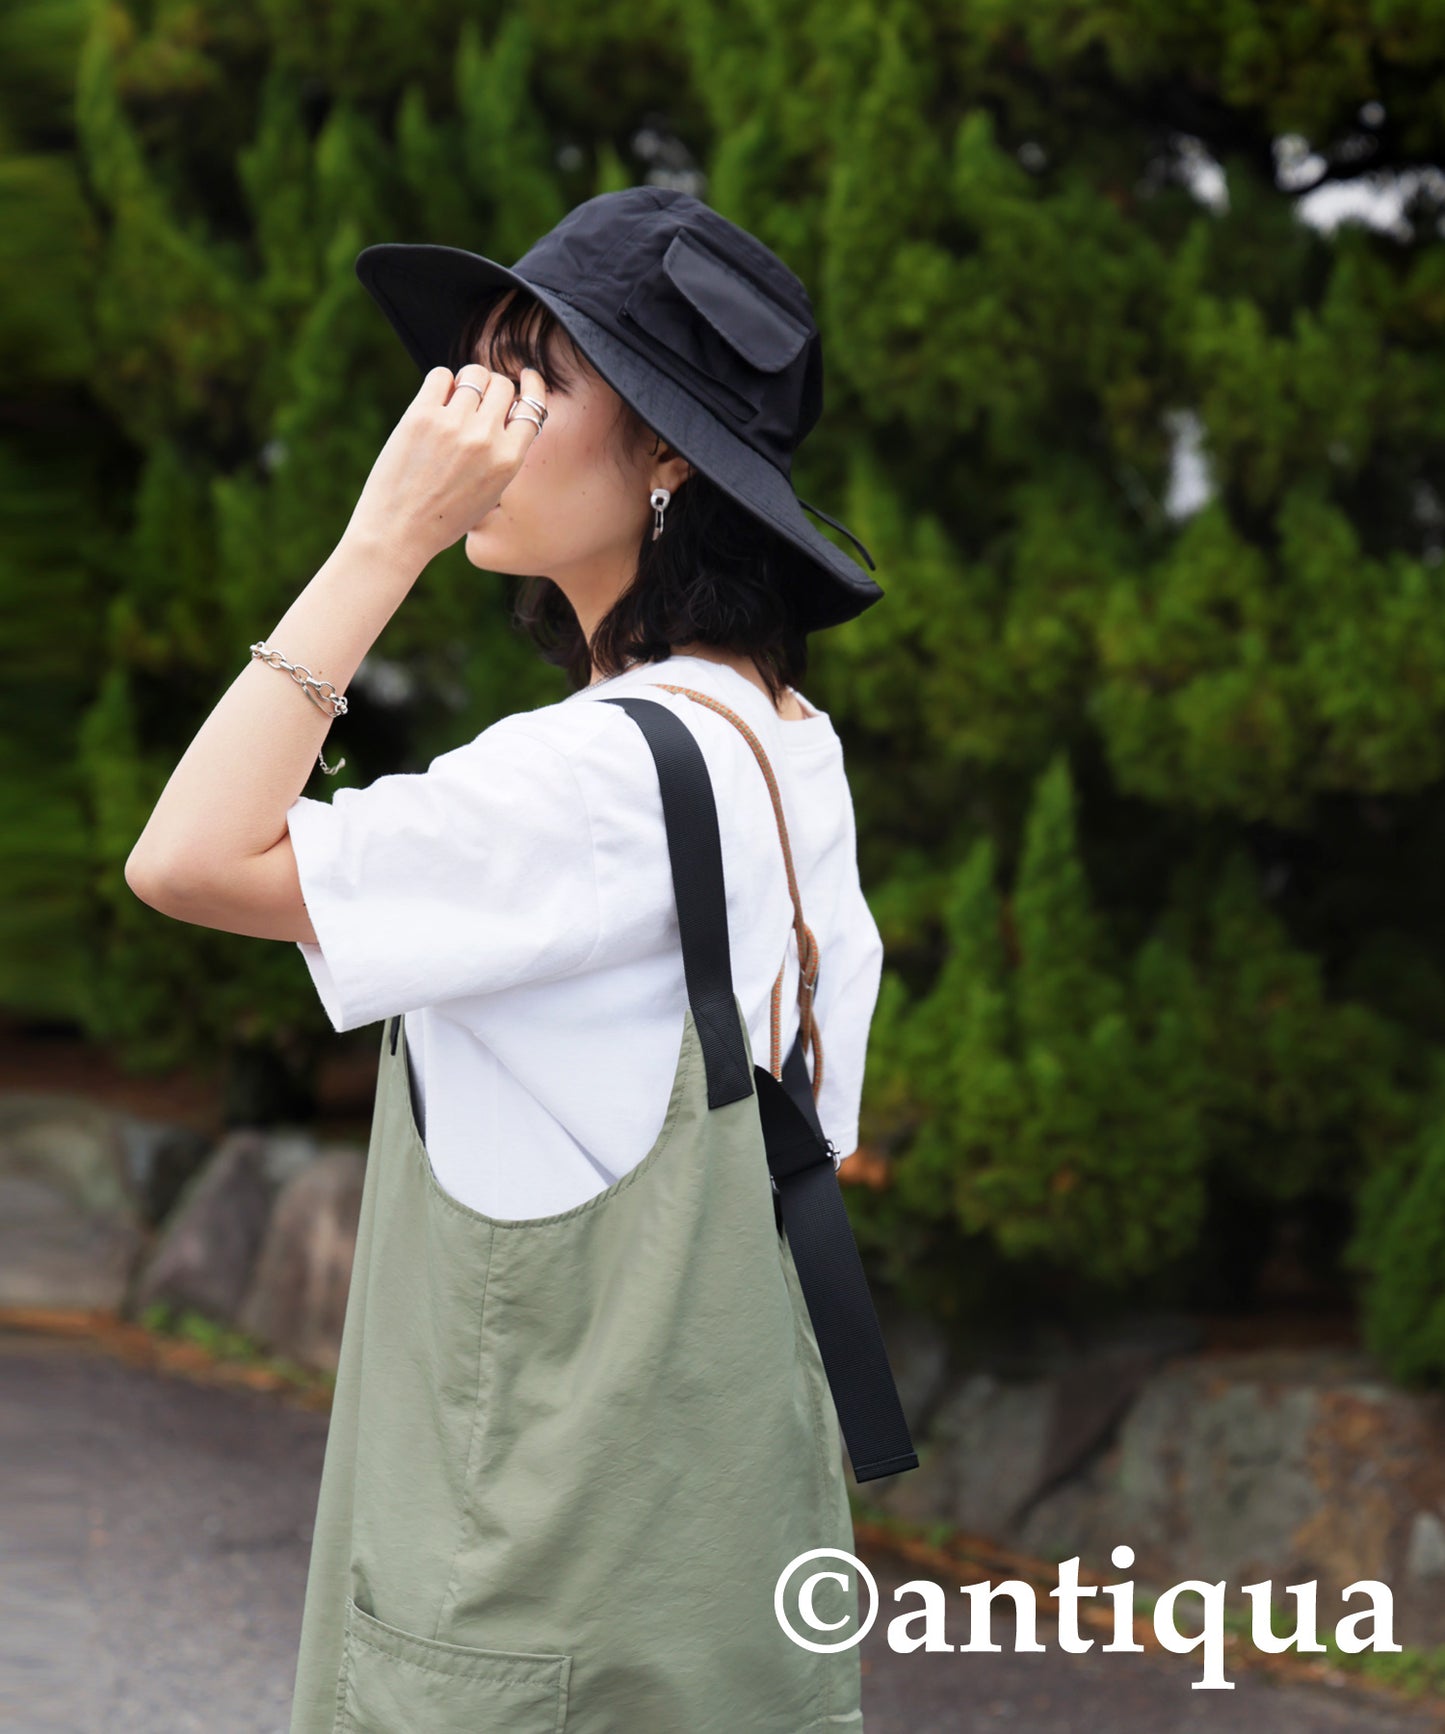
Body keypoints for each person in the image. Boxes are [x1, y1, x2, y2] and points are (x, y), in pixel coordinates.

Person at [126, 187, 904, 1733]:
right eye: (474, 369)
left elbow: (188, 858)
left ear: (671, 454)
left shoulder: (591, 780)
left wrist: (379, 539)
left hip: (534, 1591)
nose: (467, 417)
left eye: (533, 377)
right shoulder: (778, 734)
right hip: (721, 1548)